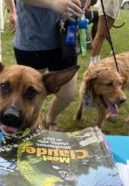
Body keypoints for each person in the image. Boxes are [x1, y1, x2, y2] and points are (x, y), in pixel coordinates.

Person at [13, 0, 81, 130]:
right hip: (31, 39)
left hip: (66, 38)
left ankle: (50, 118)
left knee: (67, 94)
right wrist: (53, 3)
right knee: (28, 93)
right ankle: (29, 124)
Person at [84, 0, 123, 65]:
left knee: (104, 35)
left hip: (117, 3)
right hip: (108, 2)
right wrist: (87, 4)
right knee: (100, 34)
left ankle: (97, 59)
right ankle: (92, 63)